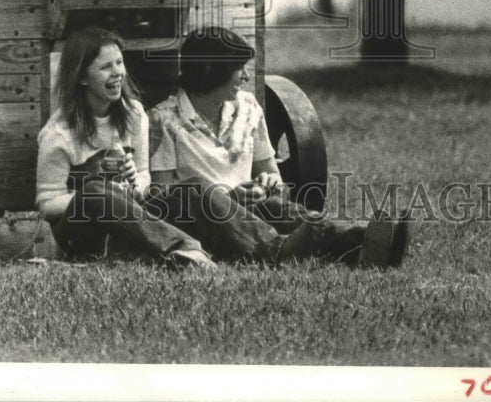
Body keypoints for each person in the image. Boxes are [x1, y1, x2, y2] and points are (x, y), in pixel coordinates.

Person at [147, 26, 409, 267]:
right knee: (198, 189)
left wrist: (268, 181)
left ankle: (363, 243)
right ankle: (277, 250)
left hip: (251, 209)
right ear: (209, 69)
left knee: (282, 209)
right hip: (204, 219)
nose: (247, 75)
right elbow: (164, 197)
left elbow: (274, 175)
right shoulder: (164, 119)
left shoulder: (248, 107)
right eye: (239, 68)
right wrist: (227, 198)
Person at [36, 26, 215, 268]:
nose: (118, 73)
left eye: (119, 62)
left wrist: (135, 184)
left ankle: (271, 243)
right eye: (106, 67)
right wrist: (100, 194)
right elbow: (46, 204)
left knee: (194, 189)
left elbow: (144, 175)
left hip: (131, 217)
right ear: (82, 77)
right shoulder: (58, 134)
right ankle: (184, 250)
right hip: (83, 232)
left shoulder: (134, 114)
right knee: (97, 191)